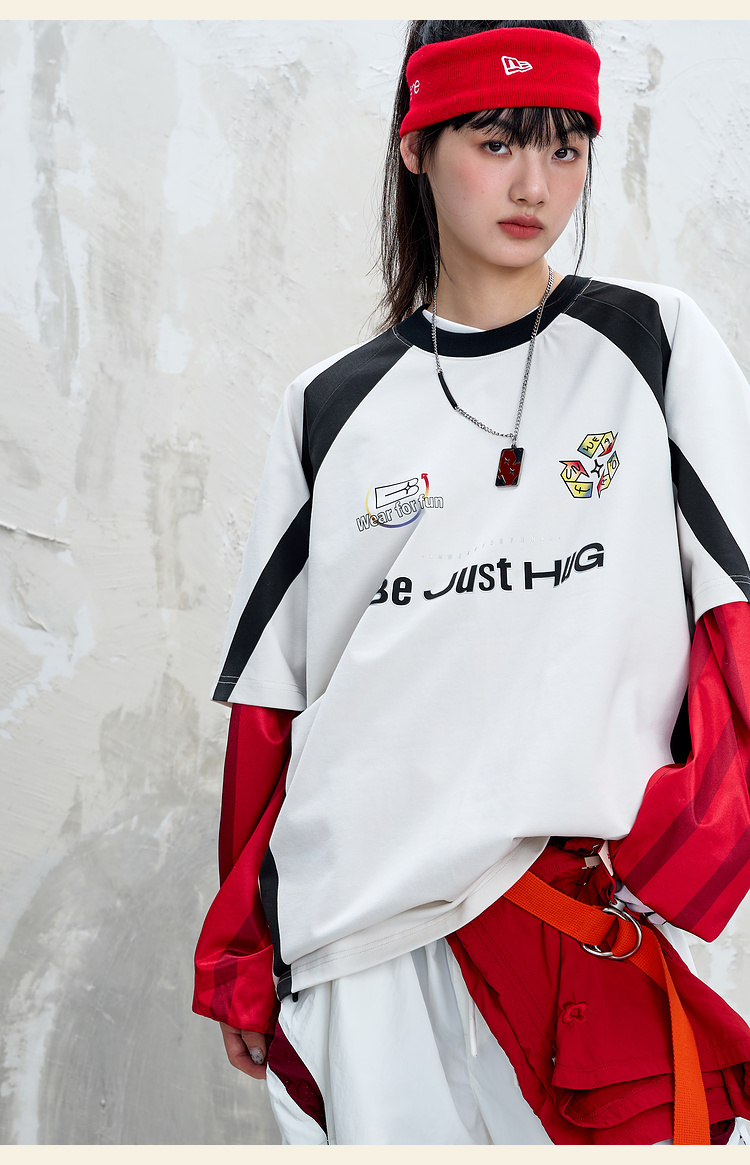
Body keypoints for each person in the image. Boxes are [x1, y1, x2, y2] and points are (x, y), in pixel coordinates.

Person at [193, 20, 750, 1145]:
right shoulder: (329, 405)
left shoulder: (653, 345)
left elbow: (736, 623)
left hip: (577, 910)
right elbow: (273, 704)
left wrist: (674, 854)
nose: (535, 185)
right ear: (417, 147)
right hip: (359, 934)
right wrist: (243, 951)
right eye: (496, 143)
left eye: (565, 147)